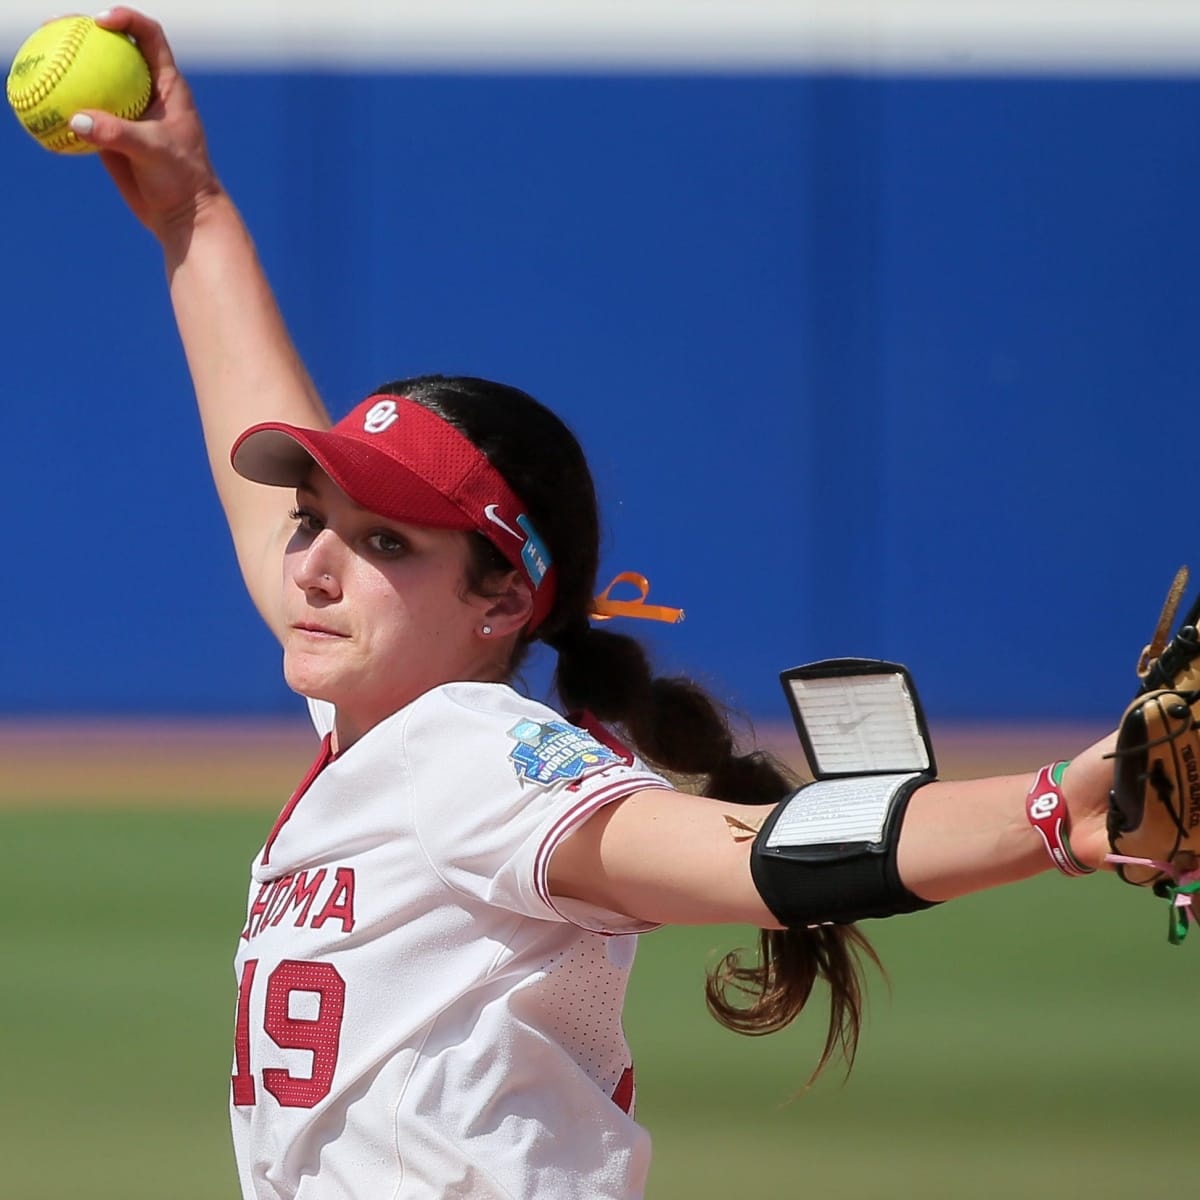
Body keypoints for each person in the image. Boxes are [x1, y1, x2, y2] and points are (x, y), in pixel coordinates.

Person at [68, 9, 1119, 1198]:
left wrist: (1055, 818)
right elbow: (260, 479)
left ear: (502, 596)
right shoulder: (382, 731)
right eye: (315, 520)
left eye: (384, 542)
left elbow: (754, 861)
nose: (310, 564)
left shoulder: (474, 759)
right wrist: (193, 212)